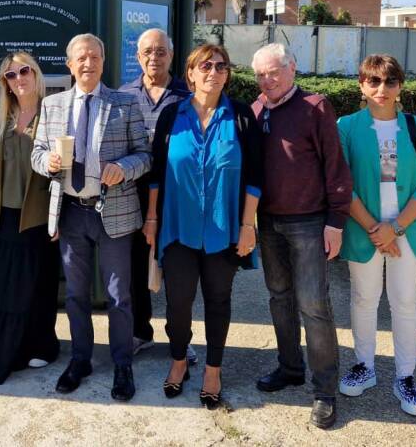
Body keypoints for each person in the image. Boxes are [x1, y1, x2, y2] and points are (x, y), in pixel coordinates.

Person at [31, 33, 151, 402]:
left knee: (119, 296)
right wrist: (46, 163)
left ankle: (122, 364)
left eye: (94, 57)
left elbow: (145, 155)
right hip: (71, 213)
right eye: (81, 58)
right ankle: (80, 359)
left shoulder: (125, 103)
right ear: (70, 64)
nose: (88, 63)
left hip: (113, 212)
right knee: (77, 295)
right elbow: (36, 152)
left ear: (103, 61)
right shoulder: (52, 106)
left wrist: (124, 167)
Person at [142, 44, 262, 410]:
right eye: (205, 65)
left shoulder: (241, 116)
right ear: (190, 73)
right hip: (177, 228)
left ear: (227, 73)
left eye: (221, 66)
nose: (213, 71)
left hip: (224, 230)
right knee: (177, 304)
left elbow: (256, 175)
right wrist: (151, 218)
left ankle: (213, 369)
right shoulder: (171, 116)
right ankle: (179, 360)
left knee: (218, 301)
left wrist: (248, 225)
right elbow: (156, 174)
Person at [250, 43, 352, 429]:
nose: (267, 80)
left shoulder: (315, 106)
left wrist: (335, 221)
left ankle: (325, 389)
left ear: (291, 69)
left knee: (313, 305)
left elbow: (336, 165)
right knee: (279, 298)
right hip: (269, 222)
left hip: (309, 222)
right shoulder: (257, 110)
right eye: (260, 74)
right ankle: (290, 367)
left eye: (273, 71)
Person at [336, 54, 416, 417]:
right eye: (373, 81)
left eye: (390, 81)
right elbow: (341, 184)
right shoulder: (346, 126)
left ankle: (405, 377)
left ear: (400, 86)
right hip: (364, 230)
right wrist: (375, 231)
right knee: (364, 299)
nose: (382, 89)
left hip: (408, 230)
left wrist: (394, 228)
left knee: (406, 302)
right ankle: (364, 366)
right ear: (362, 85)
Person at [0, 52, 59, 384]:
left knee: (36, 285)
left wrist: (58, 216)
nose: (19, 79)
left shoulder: (53, 112)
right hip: (4, 215)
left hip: (38, 217)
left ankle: (38, 345)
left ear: (36, 73)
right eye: (10, 75)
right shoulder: (0, 114)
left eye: (24, 70)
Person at [117, 28, 195, 363]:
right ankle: (140, 332)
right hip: (132, 193)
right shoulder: (123, 95)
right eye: (147, 51)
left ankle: (181, 338)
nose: (154, 57)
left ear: (171, 55)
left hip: (178, 194)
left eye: (161, 51)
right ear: (137, 56)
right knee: (134, 264)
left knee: (180, 268)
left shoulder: (187, 95)